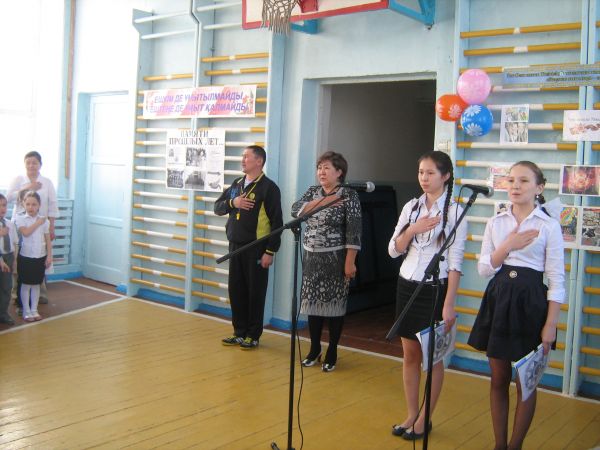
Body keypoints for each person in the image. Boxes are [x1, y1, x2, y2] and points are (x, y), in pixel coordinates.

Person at [468, 161, 565, 450]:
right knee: (498, 377)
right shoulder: (496, 222)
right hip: (499, 299)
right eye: (511, 180)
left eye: (523, 181)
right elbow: (485, 269)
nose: (515, 186)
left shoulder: (548, 225)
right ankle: (499, 444)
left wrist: (551, 324)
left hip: (531, 303)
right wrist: (508, 244)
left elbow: (557, 279)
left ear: (539, 187)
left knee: (526, 381)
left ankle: (515, 445)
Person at [387, 151, 467, 441]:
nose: (424, 177)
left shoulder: (456, 211)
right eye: (421, 172)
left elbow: (456, 263)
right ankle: (411, 413)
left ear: (445, 176)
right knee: (409, 354)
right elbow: (393, 250)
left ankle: (424, 418)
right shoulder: (412, 207)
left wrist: (449, 304)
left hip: (435, 289)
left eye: (430, 173)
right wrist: (413, 229)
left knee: (432, 358)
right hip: (407, 284)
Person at [291, 151, 362, 373]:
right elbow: (295, 210)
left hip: (336, 258)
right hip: (311, 257)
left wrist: (350, 261)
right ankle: (314, 349)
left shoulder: (349, 195)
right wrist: (324, 201)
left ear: (339, 172)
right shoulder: (313, 191)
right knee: (312, 304)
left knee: (334, 306)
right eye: (319, 168)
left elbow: (354, 231)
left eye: (326, 168)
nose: (321, 172)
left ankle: (332, 350)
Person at [214, 145, 283, 350]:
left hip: (256, 248)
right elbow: (218, 207)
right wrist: (233, 202)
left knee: (255, 292)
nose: (242, 160)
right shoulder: (237, 184)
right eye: (242, 156)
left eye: (246, 157)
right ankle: (239, 332)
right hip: (235, 246)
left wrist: (270, 251)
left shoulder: (269, 188)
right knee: (236, 290)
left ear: (259, 161)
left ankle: (253, 335)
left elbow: (277, 223)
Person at [7, 151, 58, 306]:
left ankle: (40, 292)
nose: (31, 165)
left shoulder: (47, 182)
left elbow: (53, 205)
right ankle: (15, 293)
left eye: (34, 162)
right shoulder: (18, 179)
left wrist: (52, 227)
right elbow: (8, 198)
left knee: (40, 257)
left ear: (40, 164)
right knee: (19, 259)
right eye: (28, 162)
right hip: (20, 224)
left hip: (41, 224)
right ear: (24, 164)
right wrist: (29, 187)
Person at [14, 191, 52, 322]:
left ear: (39, 205)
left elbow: (47, 239)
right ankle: (26, 310)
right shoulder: (20, 218)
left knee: (36, 284)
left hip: (40, 257)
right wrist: (38, 222)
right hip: (26, 257)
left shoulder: (45, 221)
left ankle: (34, 310)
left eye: (34, 204)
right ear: (23, 204)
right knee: (26, 284)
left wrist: (49, 256)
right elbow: (26, 233)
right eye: (28, 204)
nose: (31, 207)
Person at [0, 194, 18, 325]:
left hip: (8, 257)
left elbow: (15, 243)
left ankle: (3, 313)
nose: (2, 208)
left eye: (4, 205)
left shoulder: (10, 224)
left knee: (7, 287)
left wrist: (14, 260)